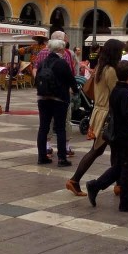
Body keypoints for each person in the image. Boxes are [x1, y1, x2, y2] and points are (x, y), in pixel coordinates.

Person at [66, 38, 122, 197]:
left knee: (116, 151)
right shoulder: (110, 71)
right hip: (108, 114)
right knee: (97, 150)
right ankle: (74, 180)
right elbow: (116, 93)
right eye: (120, 51)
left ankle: (120, 185)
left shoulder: (100, 68)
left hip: (99, 111)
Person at [86, 60, 128, 213]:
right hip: (123, 135)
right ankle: (126, 202)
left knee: (119, 166)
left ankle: (95, 186)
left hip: (115, 135)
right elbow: (126, 114)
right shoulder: (123, 92)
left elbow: (119, 108)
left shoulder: (116, 90)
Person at [36, 38, 78, 166]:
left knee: (43, 128)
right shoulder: (62, 63)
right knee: (60, 128)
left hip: (43, 99)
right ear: (60, 50)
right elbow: (71, 80)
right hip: (59, 100)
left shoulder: (43, 62)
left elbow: (36, 80)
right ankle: (61, 159)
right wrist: (76, 91)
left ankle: (42, 157)